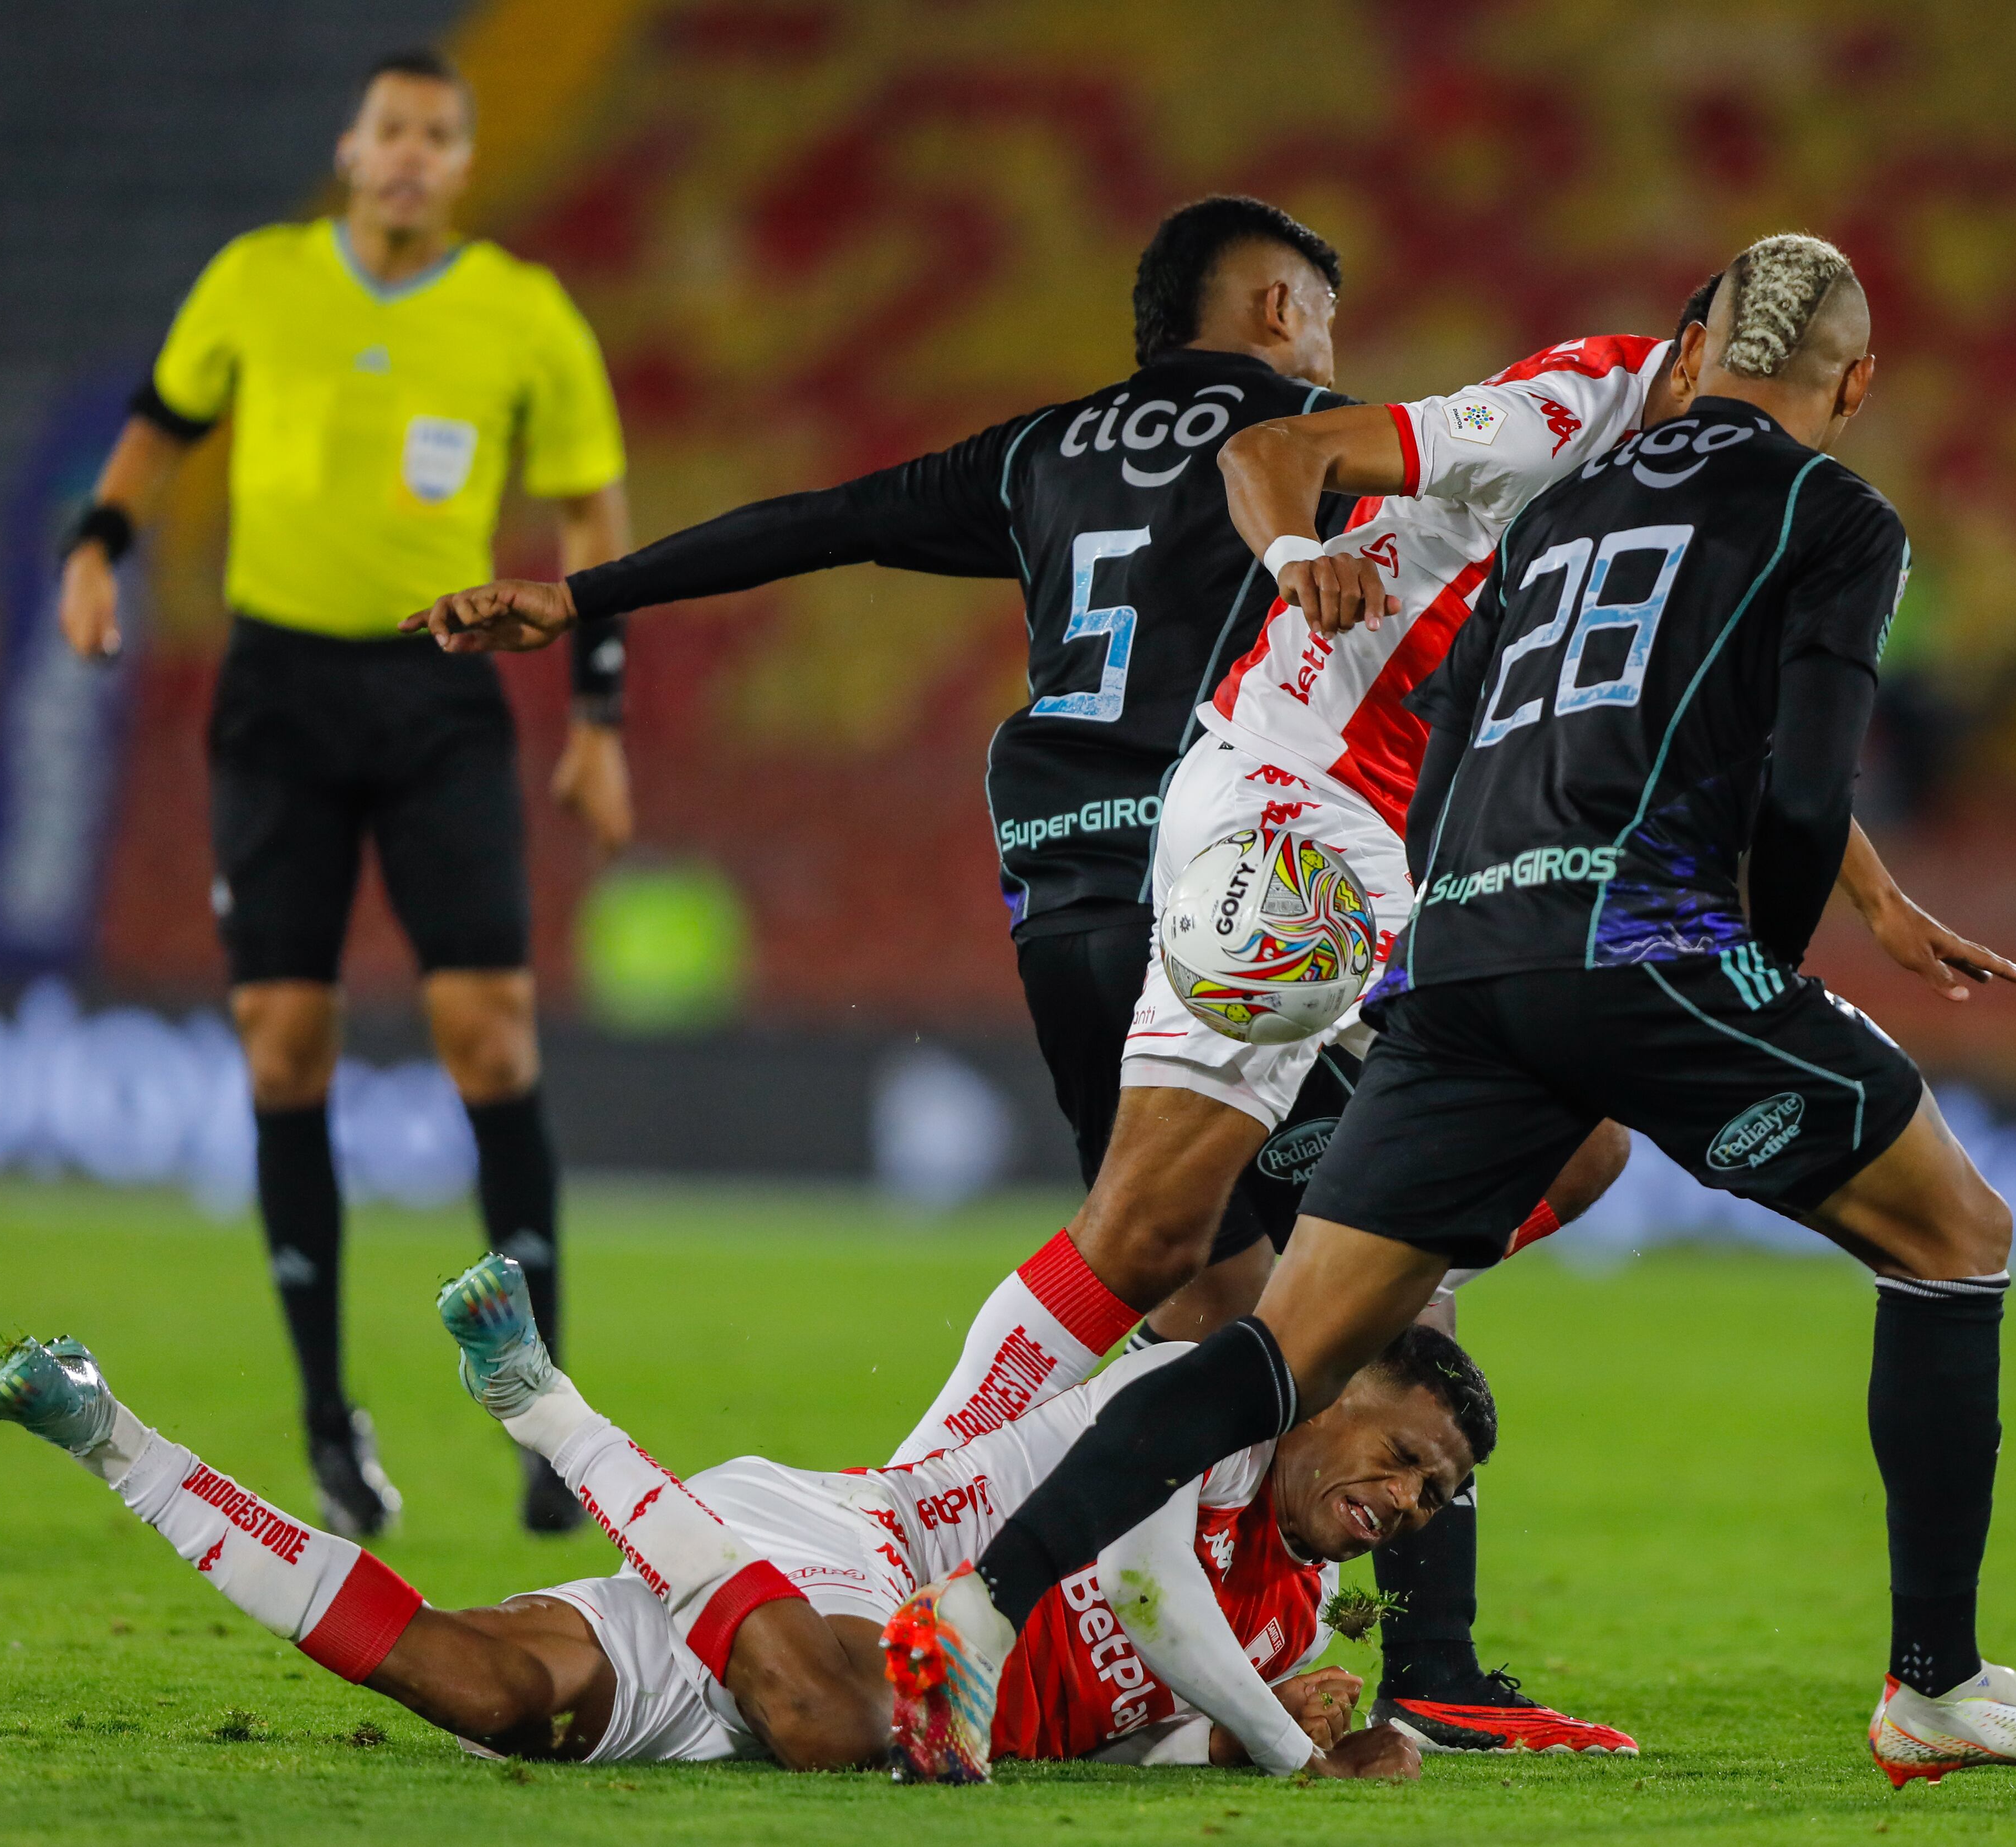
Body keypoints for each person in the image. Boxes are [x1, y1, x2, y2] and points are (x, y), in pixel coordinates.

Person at [881, 235, 2016, 1789]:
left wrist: (1462, 936)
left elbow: (1465, 728)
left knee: (1282, 1344)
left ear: (1697, 346)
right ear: (1856, 384)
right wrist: (1775, 964)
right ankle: (1933, 1684)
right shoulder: (1831, 512)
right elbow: (1800, 780)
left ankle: (979, 1608)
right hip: (1639, 944)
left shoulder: (1568, 507)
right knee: (1957, 1237)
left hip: (1466, 952)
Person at [408, 197, 1634, 1748]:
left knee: (1195, 1276)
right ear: (1272, 306)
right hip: (1240, 872)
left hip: (1067, 892)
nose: (1331, 342)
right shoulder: (1326, 444)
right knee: (1453, 1201)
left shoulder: (1039, 451)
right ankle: (1413, 1664)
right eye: (1321, 311)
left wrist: (585, 597)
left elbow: (826, 518)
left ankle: (992, 1561)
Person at [52, 49, 633, 1538]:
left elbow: (589, 508)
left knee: (488, 1037)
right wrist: (97, 546)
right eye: (392, 131)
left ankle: (543, 1422)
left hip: (438, 692)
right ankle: (325, 1417)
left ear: (462, 162)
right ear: (353, 145)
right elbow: (162, 421)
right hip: (279, 702)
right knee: (283, 1045)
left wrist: (599, 713)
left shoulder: (522, 312)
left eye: (441, 136)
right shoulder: (256, 279)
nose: (411, 157)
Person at [0, 1249, 1459, 1779]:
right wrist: (1282, 1750)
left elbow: (1142, 1723)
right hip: (854, 1552)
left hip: (782, 1639)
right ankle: (555, 1417)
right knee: (850, 1721)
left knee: (480, 1690)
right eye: (1399, 1454)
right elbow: (1143, 1596)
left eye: (1435, 1497)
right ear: (1329, 1393)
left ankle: (109, 1436)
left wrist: (1268, 1729)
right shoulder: (1196, 1415)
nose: (1402, 1502)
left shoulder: (1295, 1615)